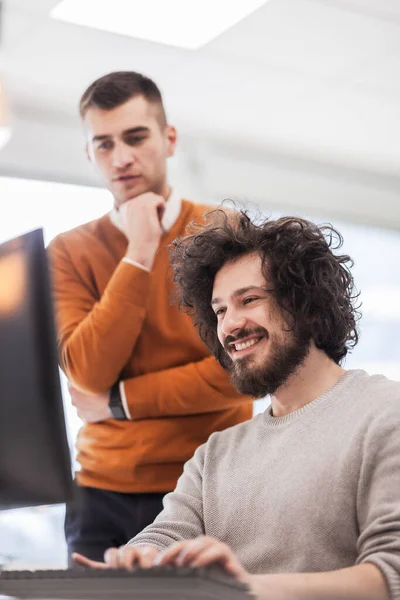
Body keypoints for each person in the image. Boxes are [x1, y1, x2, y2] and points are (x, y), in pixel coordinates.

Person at [74, 209, 400, 600]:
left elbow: (391, 575)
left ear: (308, 306)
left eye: (249, 299)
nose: (229, 325)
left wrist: (244, 589)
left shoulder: (385, 412)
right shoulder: (215, 454)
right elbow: (164, 536)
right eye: (220, 310)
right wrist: (137, 564)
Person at [47, 74, 252, 562]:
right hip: (101, 493)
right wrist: (140, 249)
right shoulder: (69, 251)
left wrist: (117, 402)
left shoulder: (224, 230)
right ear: (89, 154)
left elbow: (239, 369)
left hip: (210, 482)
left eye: (136, 138)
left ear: (169, 139)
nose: (121, 157)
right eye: (104, 144)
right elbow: (87, 370)